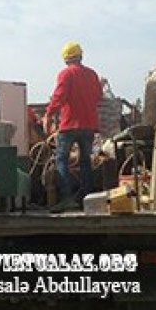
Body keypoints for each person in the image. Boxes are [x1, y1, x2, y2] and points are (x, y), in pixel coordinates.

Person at [43, 41, 102, 213]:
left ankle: (67, 198)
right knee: (85, 161)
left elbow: (59, 97)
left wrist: (49, 114)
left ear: (66, 59)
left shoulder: (66, 74)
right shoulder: (92, 74)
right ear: (80, 56)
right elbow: (98, 95)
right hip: (89, 126)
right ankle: (88, 199)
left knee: (61, 160)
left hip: (69, 125)